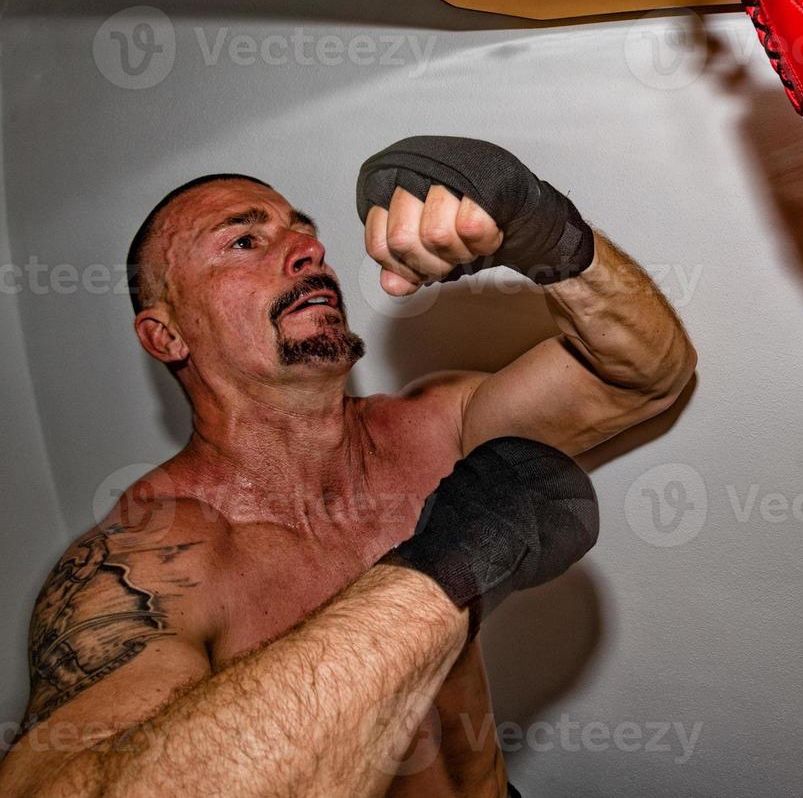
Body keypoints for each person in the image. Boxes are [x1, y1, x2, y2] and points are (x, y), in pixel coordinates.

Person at [0, 137, 698, 797]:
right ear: (167, 334)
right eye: (245, 241)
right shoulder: (149, 565)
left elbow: (644, 375)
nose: (309, 249)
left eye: (303, 232)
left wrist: (547, 232)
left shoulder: (433, 432)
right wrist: (443, 566)